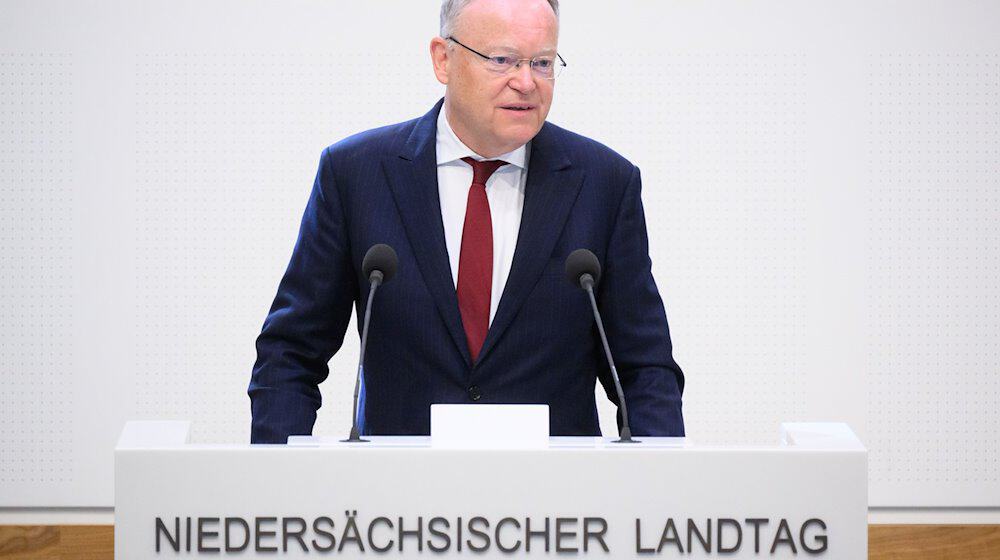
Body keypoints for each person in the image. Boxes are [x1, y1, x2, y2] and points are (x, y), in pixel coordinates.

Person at [248, 0, 685, 443]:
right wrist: (277, 482)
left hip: (556, 501)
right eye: (503, 60)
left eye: (542, 63)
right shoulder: (357, 173)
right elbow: (290, 353)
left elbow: (643, 367)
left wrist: (661, 486)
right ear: (444, 59)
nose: (526, 82)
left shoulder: (604, 183)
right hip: (396, 500)